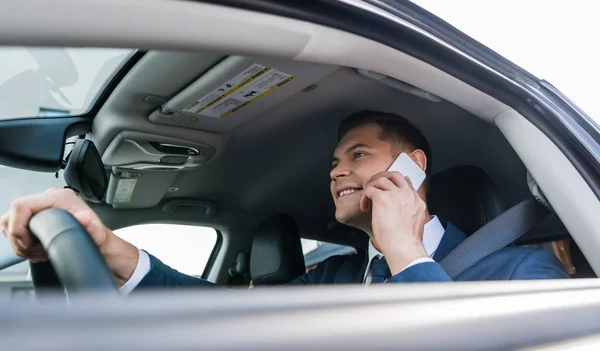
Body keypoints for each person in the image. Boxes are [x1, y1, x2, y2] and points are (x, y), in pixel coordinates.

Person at [0, 110, 568, 291]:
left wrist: (407, 254)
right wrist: (105, 244)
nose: (338, 171)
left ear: (411, 165)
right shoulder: (335, 276)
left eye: (359, 155)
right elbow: (221, 318)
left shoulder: (521, 269)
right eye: (334, 164)